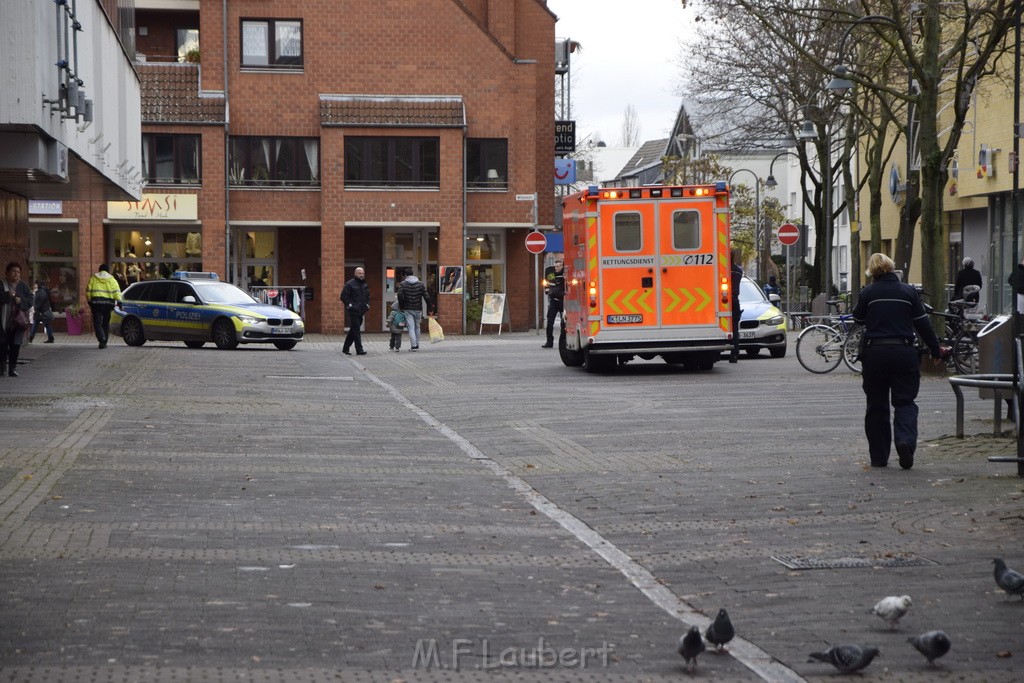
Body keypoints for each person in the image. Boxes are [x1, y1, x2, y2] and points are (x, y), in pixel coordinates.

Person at [852, 253, 942, 470]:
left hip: (875, 354)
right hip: (903, 352)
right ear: (892, 268)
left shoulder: (868, 293)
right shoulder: (908, 292)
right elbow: (923, 325)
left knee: (876, 405)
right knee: (905, 401)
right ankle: (904, 440)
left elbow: (858, 318)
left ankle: (879, 457)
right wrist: (936, 350)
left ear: (872, 272)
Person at [1, 262, 33, 376]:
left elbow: (31, 300)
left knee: (15, 345)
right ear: (7, 273)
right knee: (2, 345)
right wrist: (6, 295)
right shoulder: (2, 284)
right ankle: (2, 368)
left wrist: (21, 301)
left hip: (17, 322)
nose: (16, 274)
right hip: (3, 321)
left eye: (18, 272)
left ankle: (12, 368)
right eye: (13, 271)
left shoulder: (23, 286)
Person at [86, 263, 123, 349]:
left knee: (97, 323)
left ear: (99, 270)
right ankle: (104, 342)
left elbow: (88, 291)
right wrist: (119, 302)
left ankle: (101, 338)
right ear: (107, 270)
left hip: (96, 304)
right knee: (105, 323)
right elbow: (116, 291)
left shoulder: (93, 278)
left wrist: (89, 301)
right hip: (108, 304)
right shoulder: (112, 279)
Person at [396, 268, 433, 351]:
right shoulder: (420, 284)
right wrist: (430, 308)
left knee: (411, 327)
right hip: (418, 308)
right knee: (417, 326)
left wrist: (402, 306)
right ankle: (417, 343)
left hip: (408, 309)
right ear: (413, 274)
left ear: (405, 275)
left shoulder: (403, 284)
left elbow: (399, 296)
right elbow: (426, 297)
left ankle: (414, 345)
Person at [340, 267, 370, 355]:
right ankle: (359, 349)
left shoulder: (364, 284)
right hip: (353, 311)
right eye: (360, 273)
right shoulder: (349, 284)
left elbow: (367, 296)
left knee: (353, 329)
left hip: (361, 310)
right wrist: (350, 306)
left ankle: (345, 348)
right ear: (355, 274)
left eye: (362, 273)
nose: (361, 275)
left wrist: (367, 305)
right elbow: (343, 296)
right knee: (356, 330)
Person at [541, 257, 565, 348]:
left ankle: (564, 342)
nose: (556, 268)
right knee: (550, 321)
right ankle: (549, 341)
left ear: (562, 266)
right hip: (554, 301)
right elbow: (546, 284)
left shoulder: (565, 275)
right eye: (555, 266)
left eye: (558, 266)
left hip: (563, 301)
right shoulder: (551, 274)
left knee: (564, 323)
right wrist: (548, 292)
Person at [29, 279, 55, 344]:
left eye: (35, 284)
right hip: (42, 312)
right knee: (43, 325)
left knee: (38, 325)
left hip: (41, 312)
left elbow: (40, 302)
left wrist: (36, 308)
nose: (34, 285)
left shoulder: (41, 292)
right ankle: (50, 338)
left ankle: (31, 338)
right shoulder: (41, 291)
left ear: (38, 284)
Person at [729, 250, 743, 363]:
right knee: (734, 328)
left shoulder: (723, 270)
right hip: (735, 299)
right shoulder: (738, 270)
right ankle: (734, 354)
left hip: (724, 300)